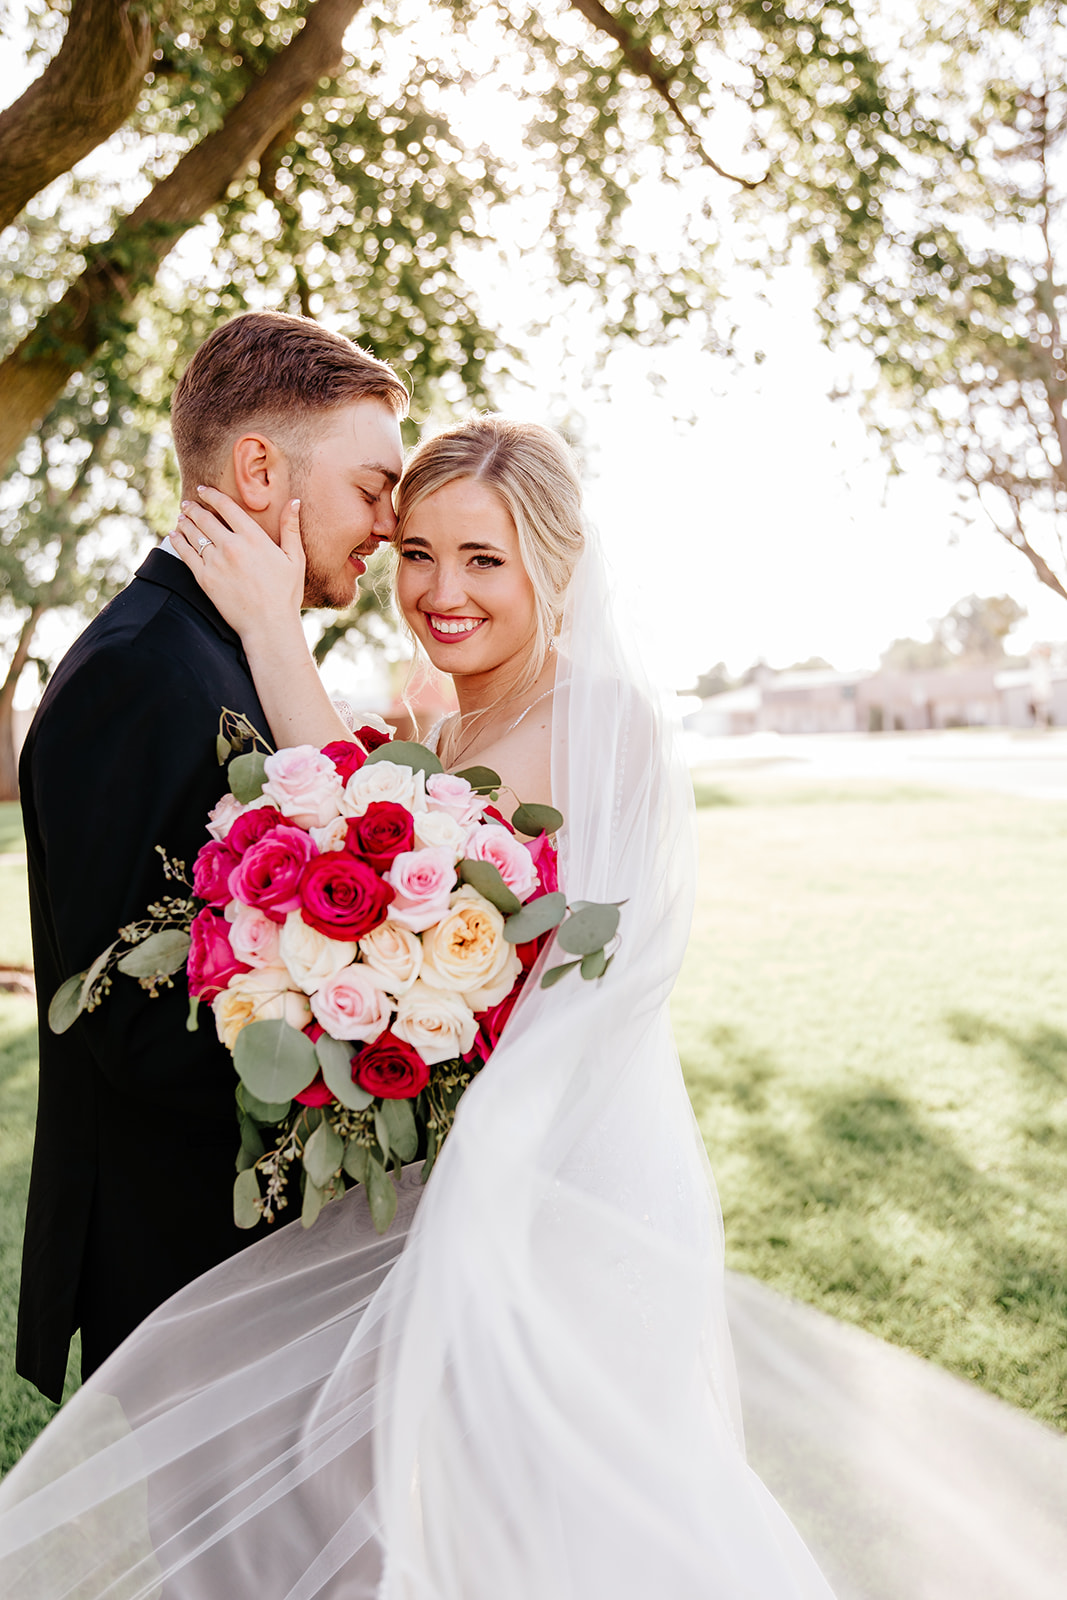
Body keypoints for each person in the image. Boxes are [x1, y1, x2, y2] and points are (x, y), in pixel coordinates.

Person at [4, 417, 1067, 1599]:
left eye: (481, 559)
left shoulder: (599, 723)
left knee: (573, 1513)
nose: (438, 591)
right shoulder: (445, 726)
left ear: (552, 569)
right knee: (449, 1515)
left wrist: (269, 630)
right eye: (414, 551)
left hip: (556, 1185)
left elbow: (393, 883)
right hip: (450, 1179)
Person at [16, 310, 407, 1403]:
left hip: (259, 1238)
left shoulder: (225, 649)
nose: (390, 522)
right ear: (257, 468)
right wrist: (377, 1025)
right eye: (373, 485)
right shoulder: (137, 670)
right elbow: (125, 1021)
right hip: (188, 1253)